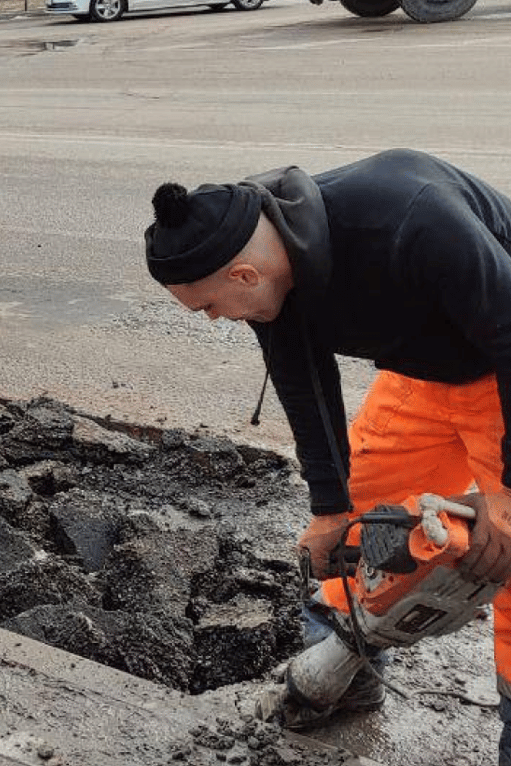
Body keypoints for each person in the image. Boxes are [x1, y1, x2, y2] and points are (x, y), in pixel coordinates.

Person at [143, 148, 511, 758]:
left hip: (503, 364)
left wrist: (506, 491)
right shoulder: (272, 269)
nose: (212, 321)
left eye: (207, 307)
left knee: (506, 548)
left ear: (242, 276)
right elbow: (302, 383)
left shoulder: (410, 220)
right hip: (426, 375)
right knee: (367, 517)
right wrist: (330, 507)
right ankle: (346, 674)